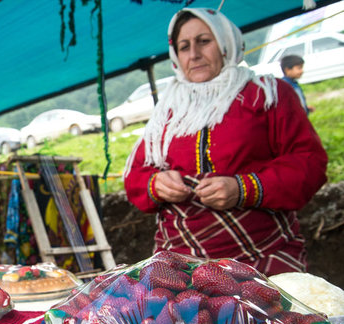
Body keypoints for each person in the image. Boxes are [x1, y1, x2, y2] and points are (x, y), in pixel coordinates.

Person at [124, 8, 328, 276]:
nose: (194, 54)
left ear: (225, 44)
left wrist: (244, 188)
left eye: (204, 41)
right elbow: (136, 176)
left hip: (264, 258)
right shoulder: (168, 110)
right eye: (184, 47)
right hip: (181, 267)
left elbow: (309, 164)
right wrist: (157, 184)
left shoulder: (267, 94)